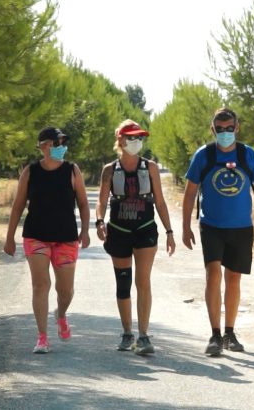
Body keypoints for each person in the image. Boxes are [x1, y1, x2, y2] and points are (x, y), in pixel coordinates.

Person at [182, 107, 254, 357]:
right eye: (220, 129)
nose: (225, 133)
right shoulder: (203, 156)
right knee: (213, 274)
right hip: (211, 225)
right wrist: (185, 226)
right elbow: (190, 191)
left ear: (237, 127)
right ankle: (215, 335)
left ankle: (230, 332)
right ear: (212, 129)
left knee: (234, 279)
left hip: (241, 227)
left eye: (229, 128)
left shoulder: (247, 155)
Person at [4, 127, 91, 354]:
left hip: (66, 237)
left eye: (63, 141)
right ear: (44, 145)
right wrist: (9, 237)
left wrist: (85, 231)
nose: (62, 146)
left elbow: (82, 203)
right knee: (41, 285)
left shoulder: (72, 170)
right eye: (58, 142)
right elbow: (18, 206)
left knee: (65, 290)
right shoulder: (30, 172)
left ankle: (61, 314)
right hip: (36, 236)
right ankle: (42, 337)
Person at [95, 120, 175, 355]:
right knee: (123, 282)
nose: (135, 142)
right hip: (118, 231)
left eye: (139, 137)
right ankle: (127, 333)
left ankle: (143, 336)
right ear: (120, 140)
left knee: (143, 281)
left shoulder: (149, 167)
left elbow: (159, 201)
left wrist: (170, 232)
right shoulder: (109, 170)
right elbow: (101, 200)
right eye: (130, 138)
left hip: (145, 229)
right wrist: (99, 221)